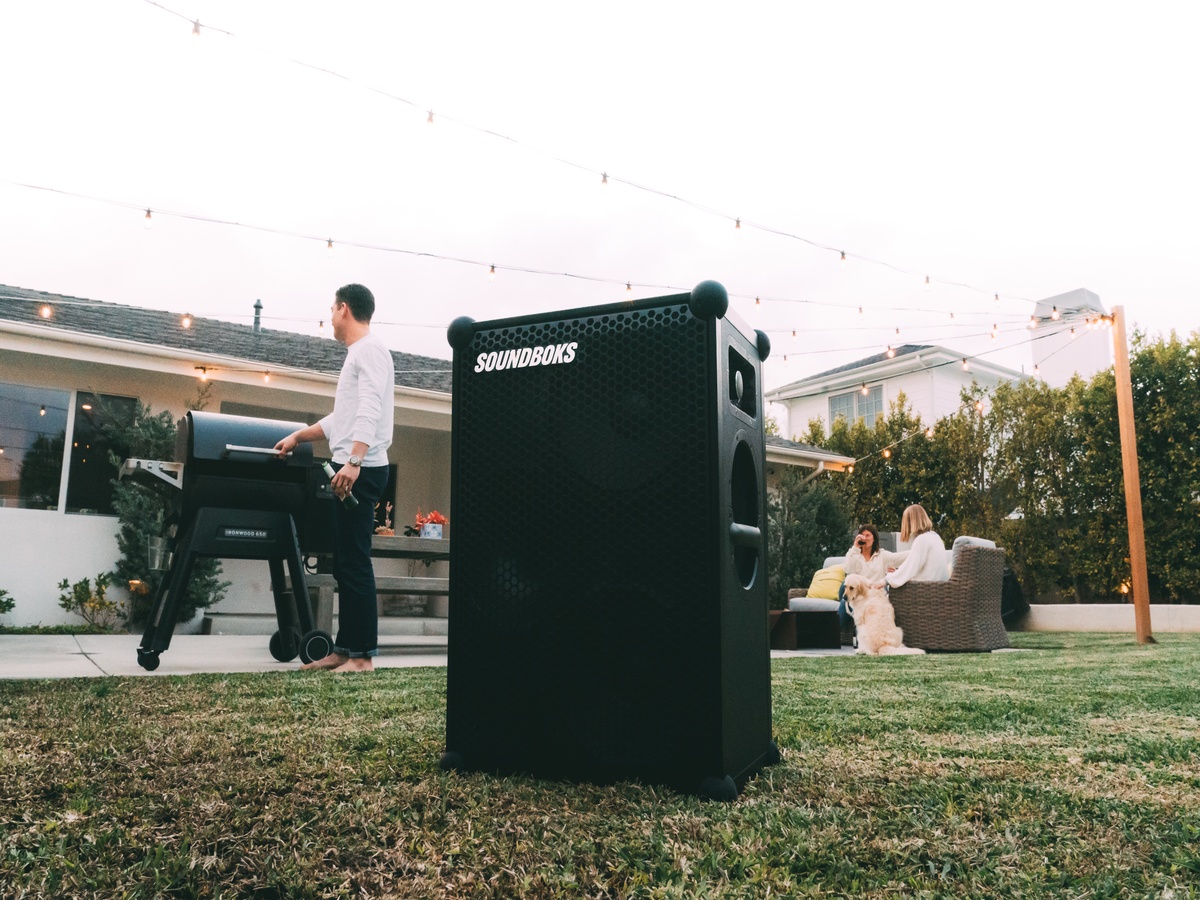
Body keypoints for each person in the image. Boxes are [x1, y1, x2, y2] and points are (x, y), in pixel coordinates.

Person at [275, 284, 395, 672]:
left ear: (345, 309)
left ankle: (363, 659)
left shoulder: (370, 350)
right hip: (351, 466)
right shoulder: (357, 355)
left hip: (362, 468)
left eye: (332, 308)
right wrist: (298, 436)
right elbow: (340, 419)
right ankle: (345, 651)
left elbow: (371, 408)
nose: (329, 315)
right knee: (343, 562)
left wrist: (355, 460)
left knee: (355, 561)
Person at [837, 523, 908, 636]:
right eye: (862, 535)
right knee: (845, 590)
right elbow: (848, 570)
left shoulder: (882, 555)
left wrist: (918, 552)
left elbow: (901, 558)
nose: (864, 538)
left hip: (874, 592)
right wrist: (855, 547)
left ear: (874, 538)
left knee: (848, 601)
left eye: (868, 535)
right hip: (856, 593)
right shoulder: (854, 554)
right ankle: (831, 635)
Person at [884, 504, 949, 589]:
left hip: (925, 589)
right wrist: (898, 573)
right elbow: (921, 568)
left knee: (889, 589)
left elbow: (911, 566)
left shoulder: (922, 540)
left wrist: (886, 580)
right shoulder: (935, 537)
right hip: (939, 587)